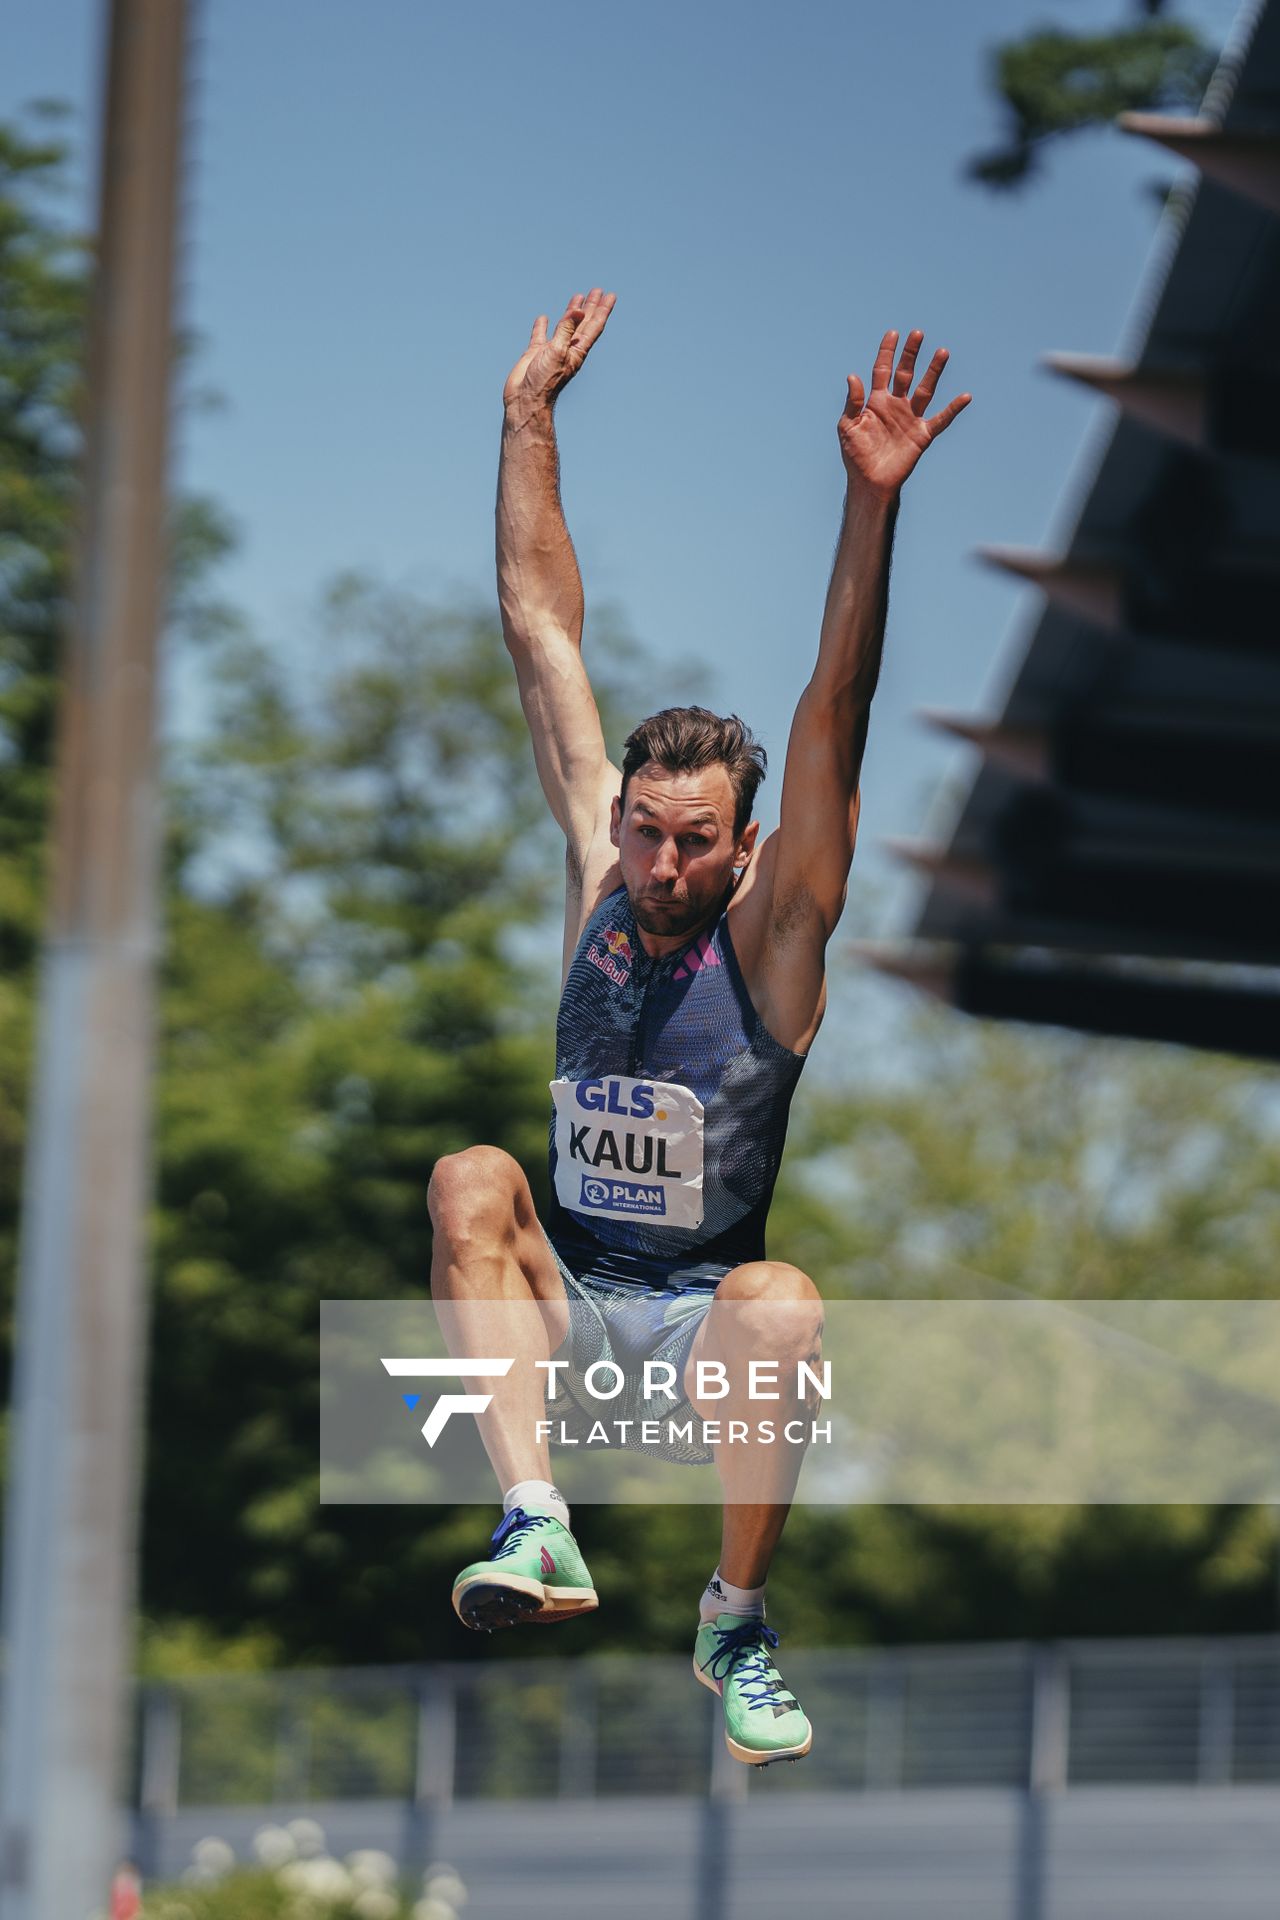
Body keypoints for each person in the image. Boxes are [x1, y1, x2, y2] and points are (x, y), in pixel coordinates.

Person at [427, 288, 970, 1766]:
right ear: (619, 820)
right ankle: (535, 1522)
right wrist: (526, 420)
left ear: (745, 849)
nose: (662, 869)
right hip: (567, 1305)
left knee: (787, 1295)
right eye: (646, 834)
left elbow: (836, 705)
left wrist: (870, 509)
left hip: (693, 1332)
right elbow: (540, 627)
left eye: (695, 844)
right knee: (473, 1179)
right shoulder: (599, 872)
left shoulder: (776, 935)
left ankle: (734, 1616)